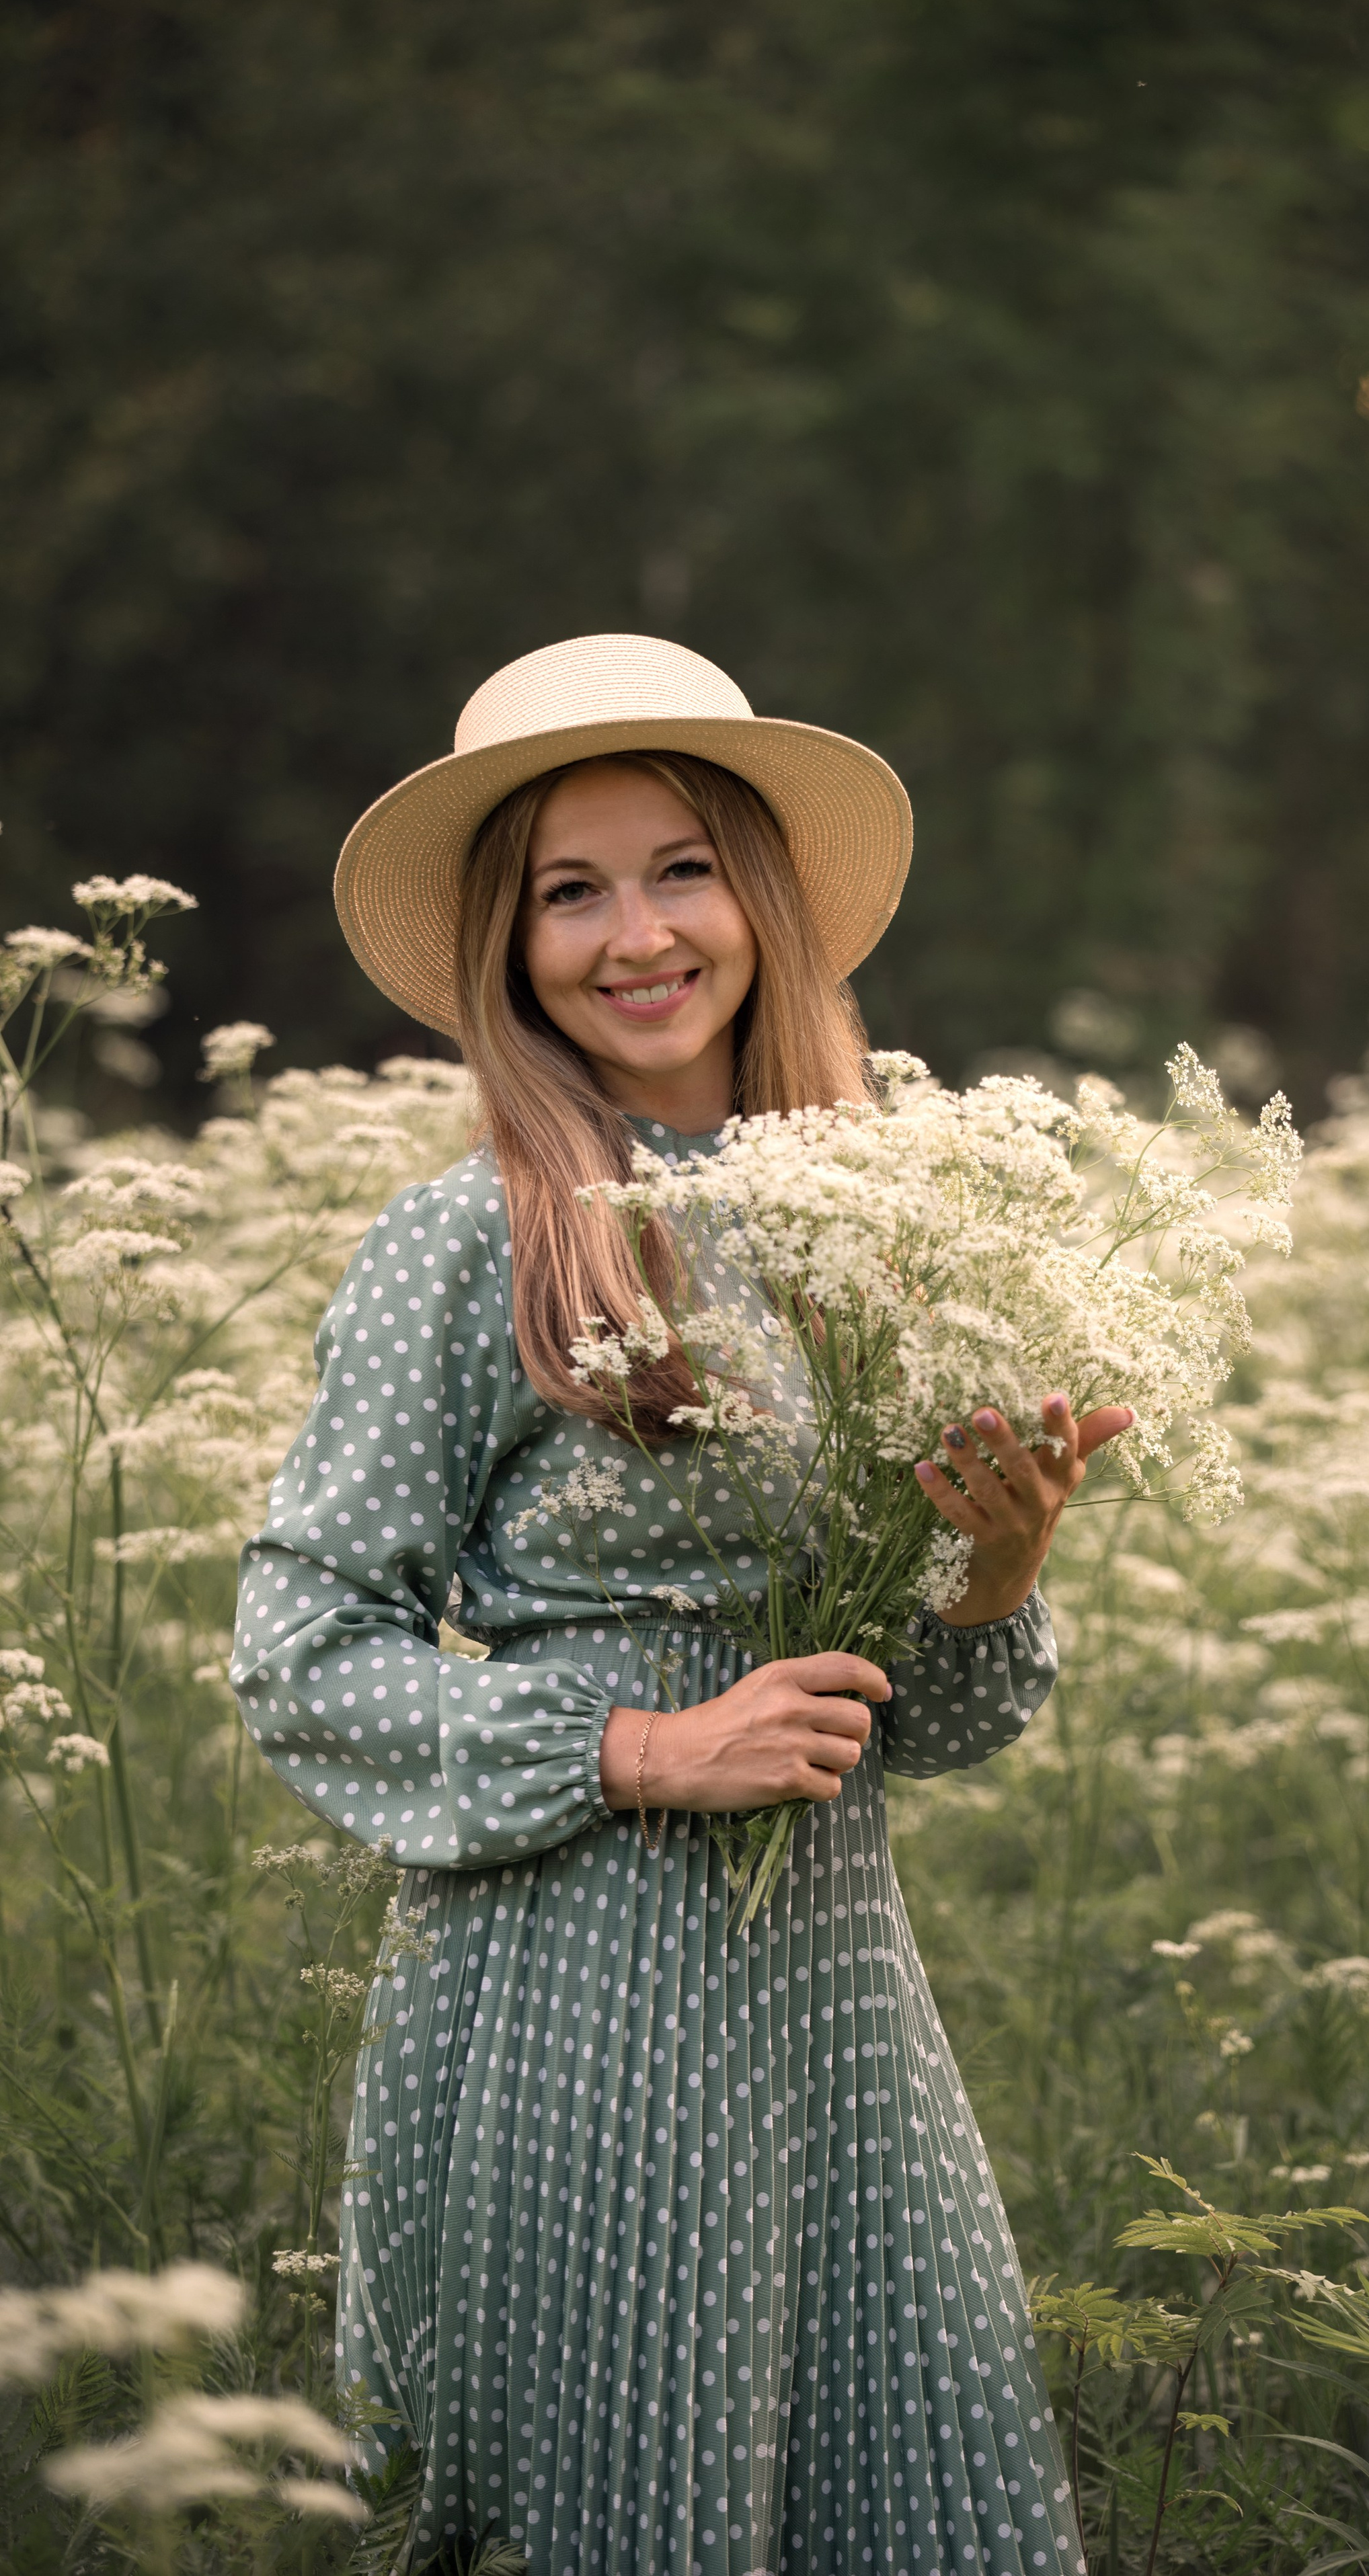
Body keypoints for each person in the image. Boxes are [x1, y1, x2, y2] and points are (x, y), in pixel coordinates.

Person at [233, 635, 1130, 2575]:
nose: (635, 933)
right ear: (508, 941)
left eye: (682, 867)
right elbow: (300, 1659)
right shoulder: (473, 1236)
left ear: (763, 899)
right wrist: (642, 1743)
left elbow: (934, 1724)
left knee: (910, 2493)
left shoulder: (895, 1225)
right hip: (580, 1998)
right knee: (632, 2507)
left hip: (835, 2003)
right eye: (571, 888)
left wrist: (998, 1566)